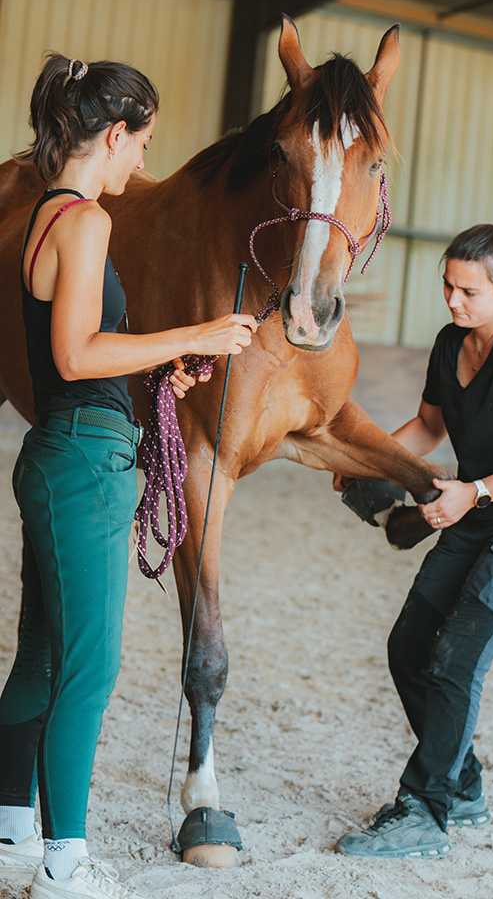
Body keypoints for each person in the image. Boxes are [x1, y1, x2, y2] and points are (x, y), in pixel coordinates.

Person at [0, 54, 257, 898]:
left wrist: (157, 376)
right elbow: (76, 353)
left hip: (68, 448)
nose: (140, 165)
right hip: (83, 463)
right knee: (90, 667)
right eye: (138, 146)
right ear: (112, 135)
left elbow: (72, 356)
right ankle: (66, 862)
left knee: (42, 656)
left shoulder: (47, 213)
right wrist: (195, 336)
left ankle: (10, 828)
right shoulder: (86, 222)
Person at [335, 219, 493, 859]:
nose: (453, 301)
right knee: (409, 646)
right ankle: (464, 783)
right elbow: (427, 426)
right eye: (448, 286)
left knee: (456, 659)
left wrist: (471, 493)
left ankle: (425, 811)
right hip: (477, 507)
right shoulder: (452, 344)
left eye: (469, 292)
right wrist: (374, 461)